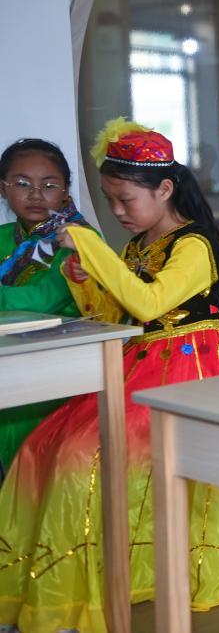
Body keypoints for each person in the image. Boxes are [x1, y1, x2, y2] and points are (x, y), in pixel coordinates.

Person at [0, 119, 219, 633]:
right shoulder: (138, 246)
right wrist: (83, 278)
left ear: (164, 190)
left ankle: (87, 580)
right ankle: (62, 579)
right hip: (141, 363)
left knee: (81, 458)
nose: (117, 211)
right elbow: (116, 314)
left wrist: (91, 248)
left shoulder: (194, 245)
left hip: (189, 369)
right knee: (45, 445)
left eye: (125, 200)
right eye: (109, 200)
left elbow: (149, 303)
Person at [0, 138, 94, 480]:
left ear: (66, 190)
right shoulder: (3, 236)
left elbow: (43, 300)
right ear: (3, 188)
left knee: (42, 471)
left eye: (50, 185)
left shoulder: (79, 239)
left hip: (62, 367)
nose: (36, 195)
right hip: (8, 360)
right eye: (22, 184)